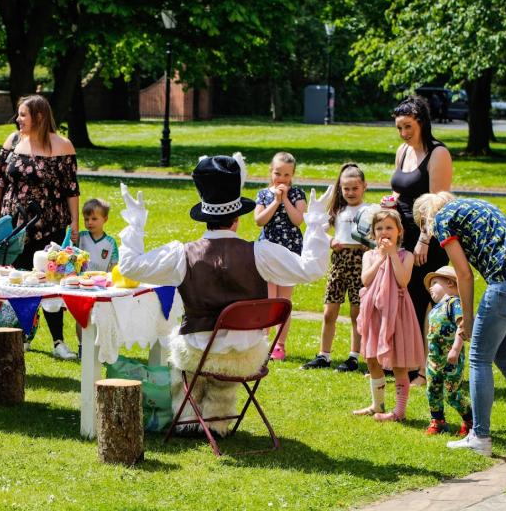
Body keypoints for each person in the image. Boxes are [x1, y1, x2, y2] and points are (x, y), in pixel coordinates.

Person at [118, 153, 332, 436]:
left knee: (186, 347)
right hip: (246, 353)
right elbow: (311, 268)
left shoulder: (181, 255)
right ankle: (216, 422)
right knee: (223, 353)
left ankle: (189, 417)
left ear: (205, 217)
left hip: (197, 351)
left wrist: (135, 225)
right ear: (238, 219)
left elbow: (130, 266)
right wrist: (315, 224)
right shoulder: (260, 253)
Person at [414, 192, 506, 456]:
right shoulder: (479, 205)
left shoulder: (443, 218)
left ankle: (479, 436)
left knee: (479, 358)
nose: (430, 236)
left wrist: (467, 320)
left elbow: (463, 275)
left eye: (425, 229)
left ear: (426, 218)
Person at [0, 94, 80, 360]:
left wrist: (74, 223)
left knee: (50, 280)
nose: (18, 119)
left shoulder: (62, 145)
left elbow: (71, 189)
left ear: (39, 117)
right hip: (15, 224)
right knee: (18, 280)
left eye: (23, 115)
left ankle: (58, 342)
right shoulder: (13, 141)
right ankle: (23, 333)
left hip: (49, 224)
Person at [388, 95, 453, 386]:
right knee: (405, 298)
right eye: (400, 127)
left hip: (428, 237)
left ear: (422, 122)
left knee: (425, 300)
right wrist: (391, 205)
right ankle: (406, 365)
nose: (403, 133)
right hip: (403, 234)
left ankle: (426, 371)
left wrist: (425, 239)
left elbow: (437, 203)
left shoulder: (438, 154)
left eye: (408, 127)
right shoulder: (403, 151)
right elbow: (402, 192)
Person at [353, 208, 424, 422]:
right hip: (374, 312)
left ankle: (399, 412)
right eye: (379, 228)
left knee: (398, 362)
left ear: (399, 231)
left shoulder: (406, 256)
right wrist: (380, 257)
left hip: (398, 314)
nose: (384, 232)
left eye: (389, 228)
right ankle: (378, 404)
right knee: (372, 359)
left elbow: (403, 281)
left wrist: (392, 255)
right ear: (373, 233)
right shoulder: (369, 255)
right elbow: (366, 280)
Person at [301, 162, 369, 371]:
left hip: (360, 260)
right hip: (339, 261)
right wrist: (330, 240)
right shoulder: (337, 210)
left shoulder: (368, 210)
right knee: (330, 311)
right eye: (346, 188)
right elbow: (317, 230)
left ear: (364, 187)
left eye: (354, 188)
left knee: (357, 313)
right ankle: (324, 355)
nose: (350, 192)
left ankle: (353, 356)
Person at [254, 152, 308, 361]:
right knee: (269, 300)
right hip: (267, 250)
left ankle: (279, 345)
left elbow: (297, 220)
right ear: (271, 172)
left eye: (287, 174)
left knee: (283, 301)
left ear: (292, 174)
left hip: (289, 251)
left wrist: (285, 198)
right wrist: (275, 201)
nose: (282, 179)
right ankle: (264, 343)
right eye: (278, 173)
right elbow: (259, 220)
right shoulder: (263, 194)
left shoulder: (297, 194)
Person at [423, 265, 473, 436]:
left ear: (450, 283)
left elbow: (462, 326)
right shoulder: (436, 308)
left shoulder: (454, 303)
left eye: (435, 282)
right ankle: (437, 421)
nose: (430, 287)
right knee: (433, 389)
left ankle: (470, 419)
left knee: (451, 392)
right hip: (434, 359)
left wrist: (455, 350)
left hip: (451, 358)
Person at [78, 198, 119, 272]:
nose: (89, 222)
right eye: (86, 219)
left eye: (94, 219)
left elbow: (114, 265)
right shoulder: (80, 237)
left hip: (101, 281)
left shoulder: (111, 243)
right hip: (81, 280)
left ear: (105, 219)